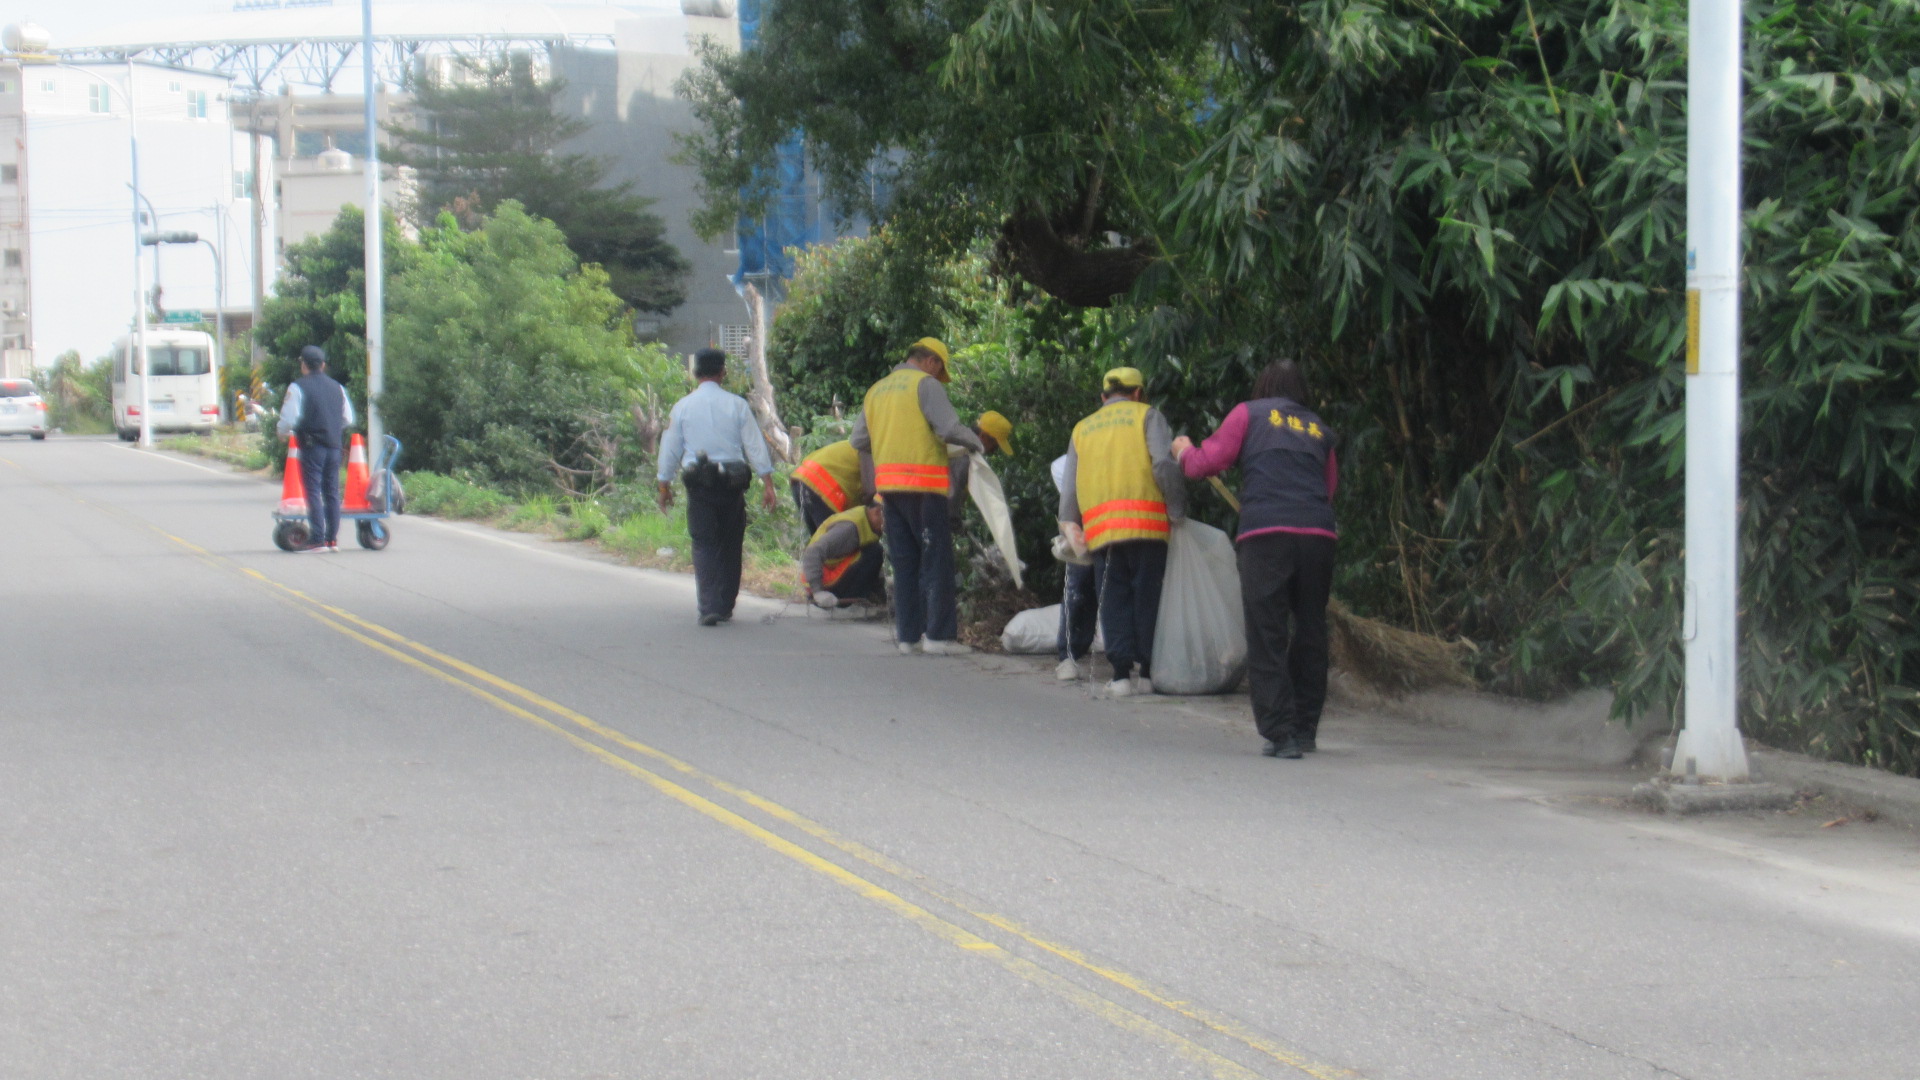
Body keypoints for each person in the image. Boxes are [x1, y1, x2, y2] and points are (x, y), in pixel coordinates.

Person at [1173, 359, 1338, 759]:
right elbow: (1328, 488)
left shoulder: (1248, 414)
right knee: (1311, 631)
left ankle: (1280, 734)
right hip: (1318, 535)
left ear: (1264, 385)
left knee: (1267, 633)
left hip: (1266, 536)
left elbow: (1204, 464)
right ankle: (1304, 729)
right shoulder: (1320, 429)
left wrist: (1182, 451)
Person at [850, 338, 984, 655]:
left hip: (890, 491)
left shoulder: (876, 390)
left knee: (904, 561)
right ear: (932, 362)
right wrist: (975, 443)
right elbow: (949, 428)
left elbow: (858, 439)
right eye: (940, 371)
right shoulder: (925, 385)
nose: (939, 377)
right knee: (936, 560)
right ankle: (938, 637)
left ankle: (908, 638)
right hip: (925, 487)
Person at [1058, 367, 1186, 697]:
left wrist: (1069, 525)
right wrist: (1177, 509)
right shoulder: (1148, 416)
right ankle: (1146, 672)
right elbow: (1162, 464)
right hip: (1148, 526)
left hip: (1102, 532)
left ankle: (1119, 677)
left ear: (1103, 397)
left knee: (1113, 599)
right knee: (1146, 596)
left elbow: (1070, 487)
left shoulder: (1082, 429)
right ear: (1139, 393)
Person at [657, 348, 778, 626]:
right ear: (723, 372)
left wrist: (664, 485)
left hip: (699, 483)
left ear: (695, 373)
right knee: (731, 543)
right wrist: (768, 483)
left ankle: (709, 605)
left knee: (704, 542)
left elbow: (670, 449)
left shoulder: (683, 406)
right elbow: (754, 446)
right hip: (733, 483)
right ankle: (724, 605)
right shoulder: (736, 405)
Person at [276, 345, 355, 553]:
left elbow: (289, 418)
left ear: (303, 365)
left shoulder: (298, 387)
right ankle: (332, 540)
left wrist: (282, 433)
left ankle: (318, 539)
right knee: (331, 492)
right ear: (323, 365)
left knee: (313, 491)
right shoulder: (337, 387)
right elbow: (348, 418)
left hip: (312, 446)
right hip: (334, 445)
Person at [1050, 451, 1099, 681]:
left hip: (1115, 525)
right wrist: (1073, 517)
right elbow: (1060, 469)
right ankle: (1068, 655)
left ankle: (1129, 659)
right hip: (1086, 525)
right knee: (1078, 589)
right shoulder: (1088, 439)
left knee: (1111, 589)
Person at [799, 500, 887, 609]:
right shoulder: (849, 528)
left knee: (872, 551)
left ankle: (866, 598)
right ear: (877, 512)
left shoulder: (865, 522)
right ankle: (849, 604)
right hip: (822, 584)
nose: (888, 528)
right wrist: (818, 592)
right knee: (874, 552)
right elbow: (812, 553)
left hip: (828, 578)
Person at [791, 438, 865, 536]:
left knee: (819, 540)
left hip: (799, 480)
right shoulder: (871, 451)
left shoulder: (855, 444)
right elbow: (870, 492)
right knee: (835, 543)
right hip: (819, 488)